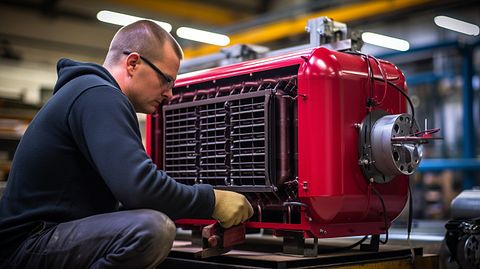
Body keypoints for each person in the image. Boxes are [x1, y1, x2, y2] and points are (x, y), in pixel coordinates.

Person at [0, 20, 253, 268]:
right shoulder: (99, 95)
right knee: (150, 229)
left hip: (40, 239)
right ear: (133, 63)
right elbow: (139, 189)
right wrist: (213, 201)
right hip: (29, 245)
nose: (170, 93)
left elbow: (129, 195)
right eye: (166, 79)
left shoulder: (88, 92)